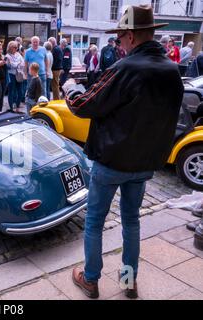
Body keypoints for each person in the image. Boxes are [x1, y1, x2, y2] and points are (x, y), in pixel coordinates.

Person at [63, 5, 184, 299]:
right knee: (131, 220)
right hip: (143, 163)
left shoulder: (125, 67)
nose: (118, 43)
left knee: (94, 221)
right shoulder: (171, 69)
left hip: (112, 161)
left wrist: (70, 89)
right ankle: (128, 281)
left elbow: (83, 106)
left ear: (130, 35)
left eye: (119, 38)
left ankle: (90, 279)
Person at [6, 41, 25, 111]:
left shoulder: (18, 54)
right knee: (11, 91)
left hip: (19, 74)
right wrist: (17, 63)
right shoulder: (7, 56)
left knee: (21, 92)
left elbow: (22, 64)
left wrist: (15, 64)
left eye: (16, 47)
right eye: (14, 47)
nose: (16, 48)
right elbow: (11, 65)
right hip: (11, 75)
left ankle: (17, 105)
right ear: (10, 48)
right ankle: (11, 108)